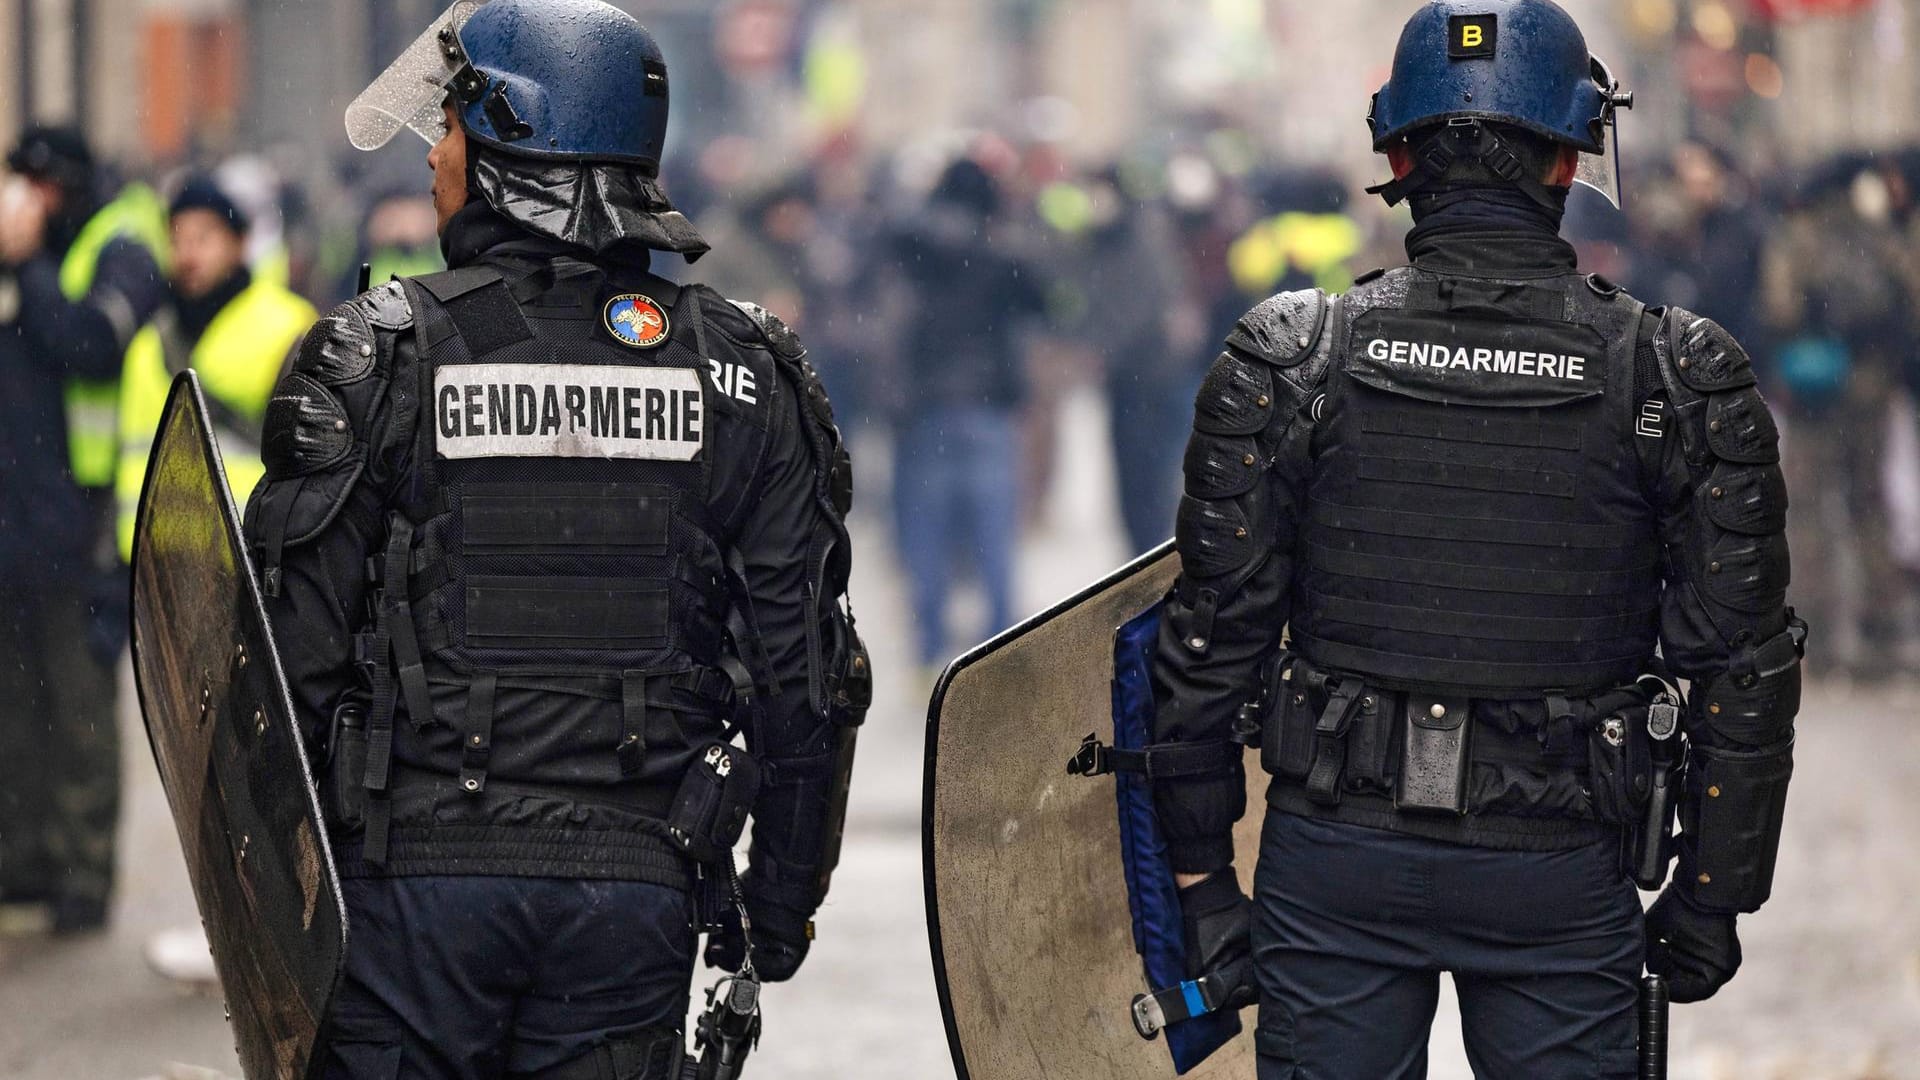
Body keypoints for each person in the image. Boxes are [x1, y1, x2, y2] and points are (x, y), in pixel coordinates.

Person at [1147, 2, 1803, 1075]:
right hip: (1556, 865)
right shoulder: (1678, 375)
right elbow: (1741, 665)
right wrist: (1715, 895)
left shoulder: (1289, 359)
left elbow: (1208, 644)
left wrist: (1202, 881)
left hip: (1335, 861)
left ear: (1398, 153)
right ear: (1568, 161)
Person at [244, 1, 866, 1075]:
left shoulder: (375, 356)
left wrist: (275, 908)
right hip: (634, 896)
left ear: (503, 146)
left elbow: (281, 678)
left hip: (410, 895)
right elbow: (803, 679)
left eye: (448, 128)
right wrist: (778, 908)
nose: (435, 158)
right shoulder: (745, 374)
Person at [0, 125, 167, 934]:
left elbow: (91, 346)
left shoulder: (123, 240)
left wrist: (28, 262)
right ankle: (22, 861)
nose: (30, 204)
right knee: (15, 703)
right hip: (15, 514)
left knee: (75, 699)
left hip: (82, 516)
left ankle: (80, 872)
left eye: (43, 189)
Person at [114, 174, 318, 559]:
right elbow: (130, 463)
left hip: (254, 563)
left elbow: (311, 464)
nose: (187, 255)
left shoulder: (288, 326)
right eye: (177, 239)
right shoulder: (147, 346)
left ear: (240, 244)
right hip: (159, 572)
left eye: (204, 238)